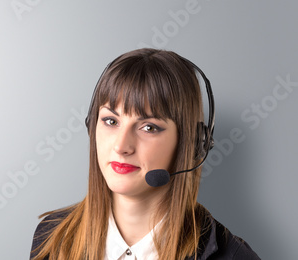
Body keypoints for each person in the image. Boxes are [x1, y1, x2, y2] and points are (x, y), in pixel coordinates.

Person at [30, 48, 260, 260]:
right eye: (111, 121)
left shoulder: (232, 256)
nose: (121, 146)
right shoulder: (51, 238)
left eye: (148, 127)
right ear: (92, 126)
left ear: (190, 143)